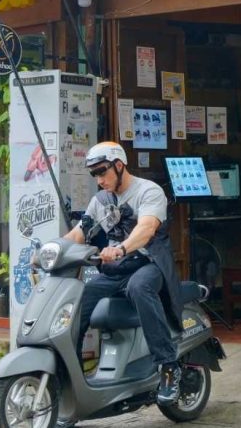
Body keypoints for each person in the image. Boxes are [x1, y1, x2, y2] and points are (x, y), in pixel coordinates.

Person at [64, 141, 186, 405]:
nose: (99, 180)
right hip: (115, 271)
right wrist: (52, 252)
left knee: (139, 287)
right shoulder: (101, 200)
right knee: (78, 299)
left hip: (149, 264)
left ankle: (168, 365)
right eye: (94, 174)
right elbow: (78, 233)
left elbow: (146, 230)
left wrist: (120, 249)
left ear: (119, 165)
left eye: (102, 172)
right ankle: (67, 373)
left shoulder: (149, 191)